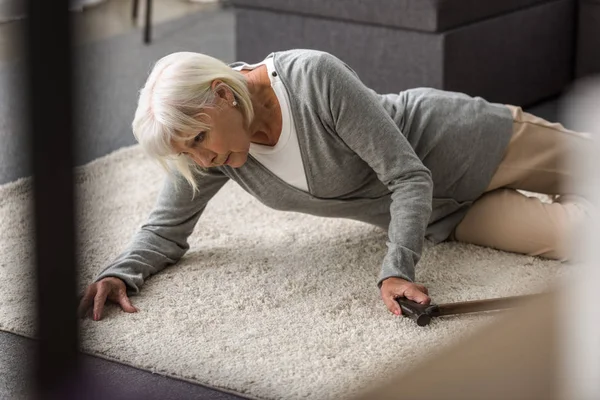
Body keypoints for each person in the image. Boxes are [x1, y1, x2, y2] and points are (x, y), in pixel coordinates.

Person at [78, 49, 593, 321]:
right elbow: (166, 230)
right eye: (186, 152)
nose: (202, 157)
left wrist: (396, 269)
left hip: (470, 142)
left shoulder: (310, 77)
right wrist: (121, 272)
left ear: (223, 94)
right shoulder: (216, 154)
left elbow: (408, 175)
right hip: (446, 214)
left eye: (197, 139)